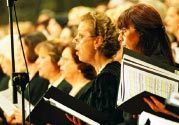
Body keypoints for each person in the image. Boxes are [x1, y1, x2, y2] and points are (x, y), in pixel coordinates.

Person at [116, 3, 176, 125]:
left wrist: (172, 114)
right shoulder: (136, 67)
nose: (119, 38)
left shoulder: (159, 68)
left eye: (124, 31)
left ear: (142, 33)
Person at [67, 11, 123, 125]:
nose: (74, 40)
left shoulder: (107, 78)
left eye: (81, 36)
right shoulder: (108, 73)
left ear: (97, 41)